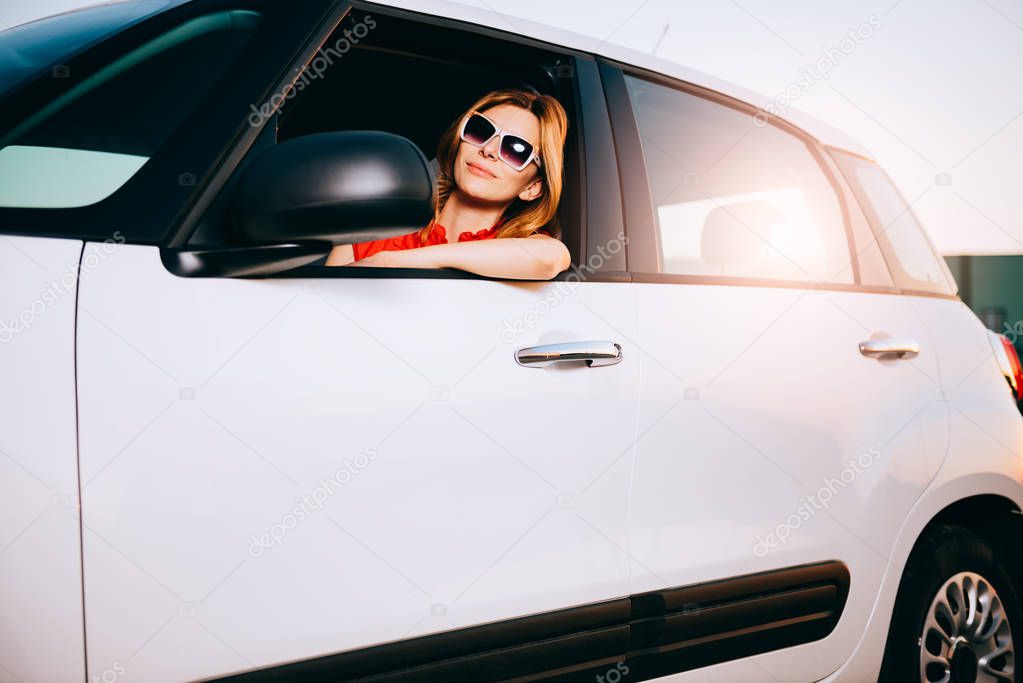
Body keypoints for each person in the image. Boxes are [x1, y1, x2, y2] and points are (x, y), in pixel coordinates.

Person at [325, 89, 571, 280]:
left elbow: (552, 258)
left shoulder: (522, 252)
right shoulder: (377, 225)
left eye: (515, 149)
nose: (488, 150)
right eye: (481, 130)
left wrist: (393, 262)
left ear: (532, 188)